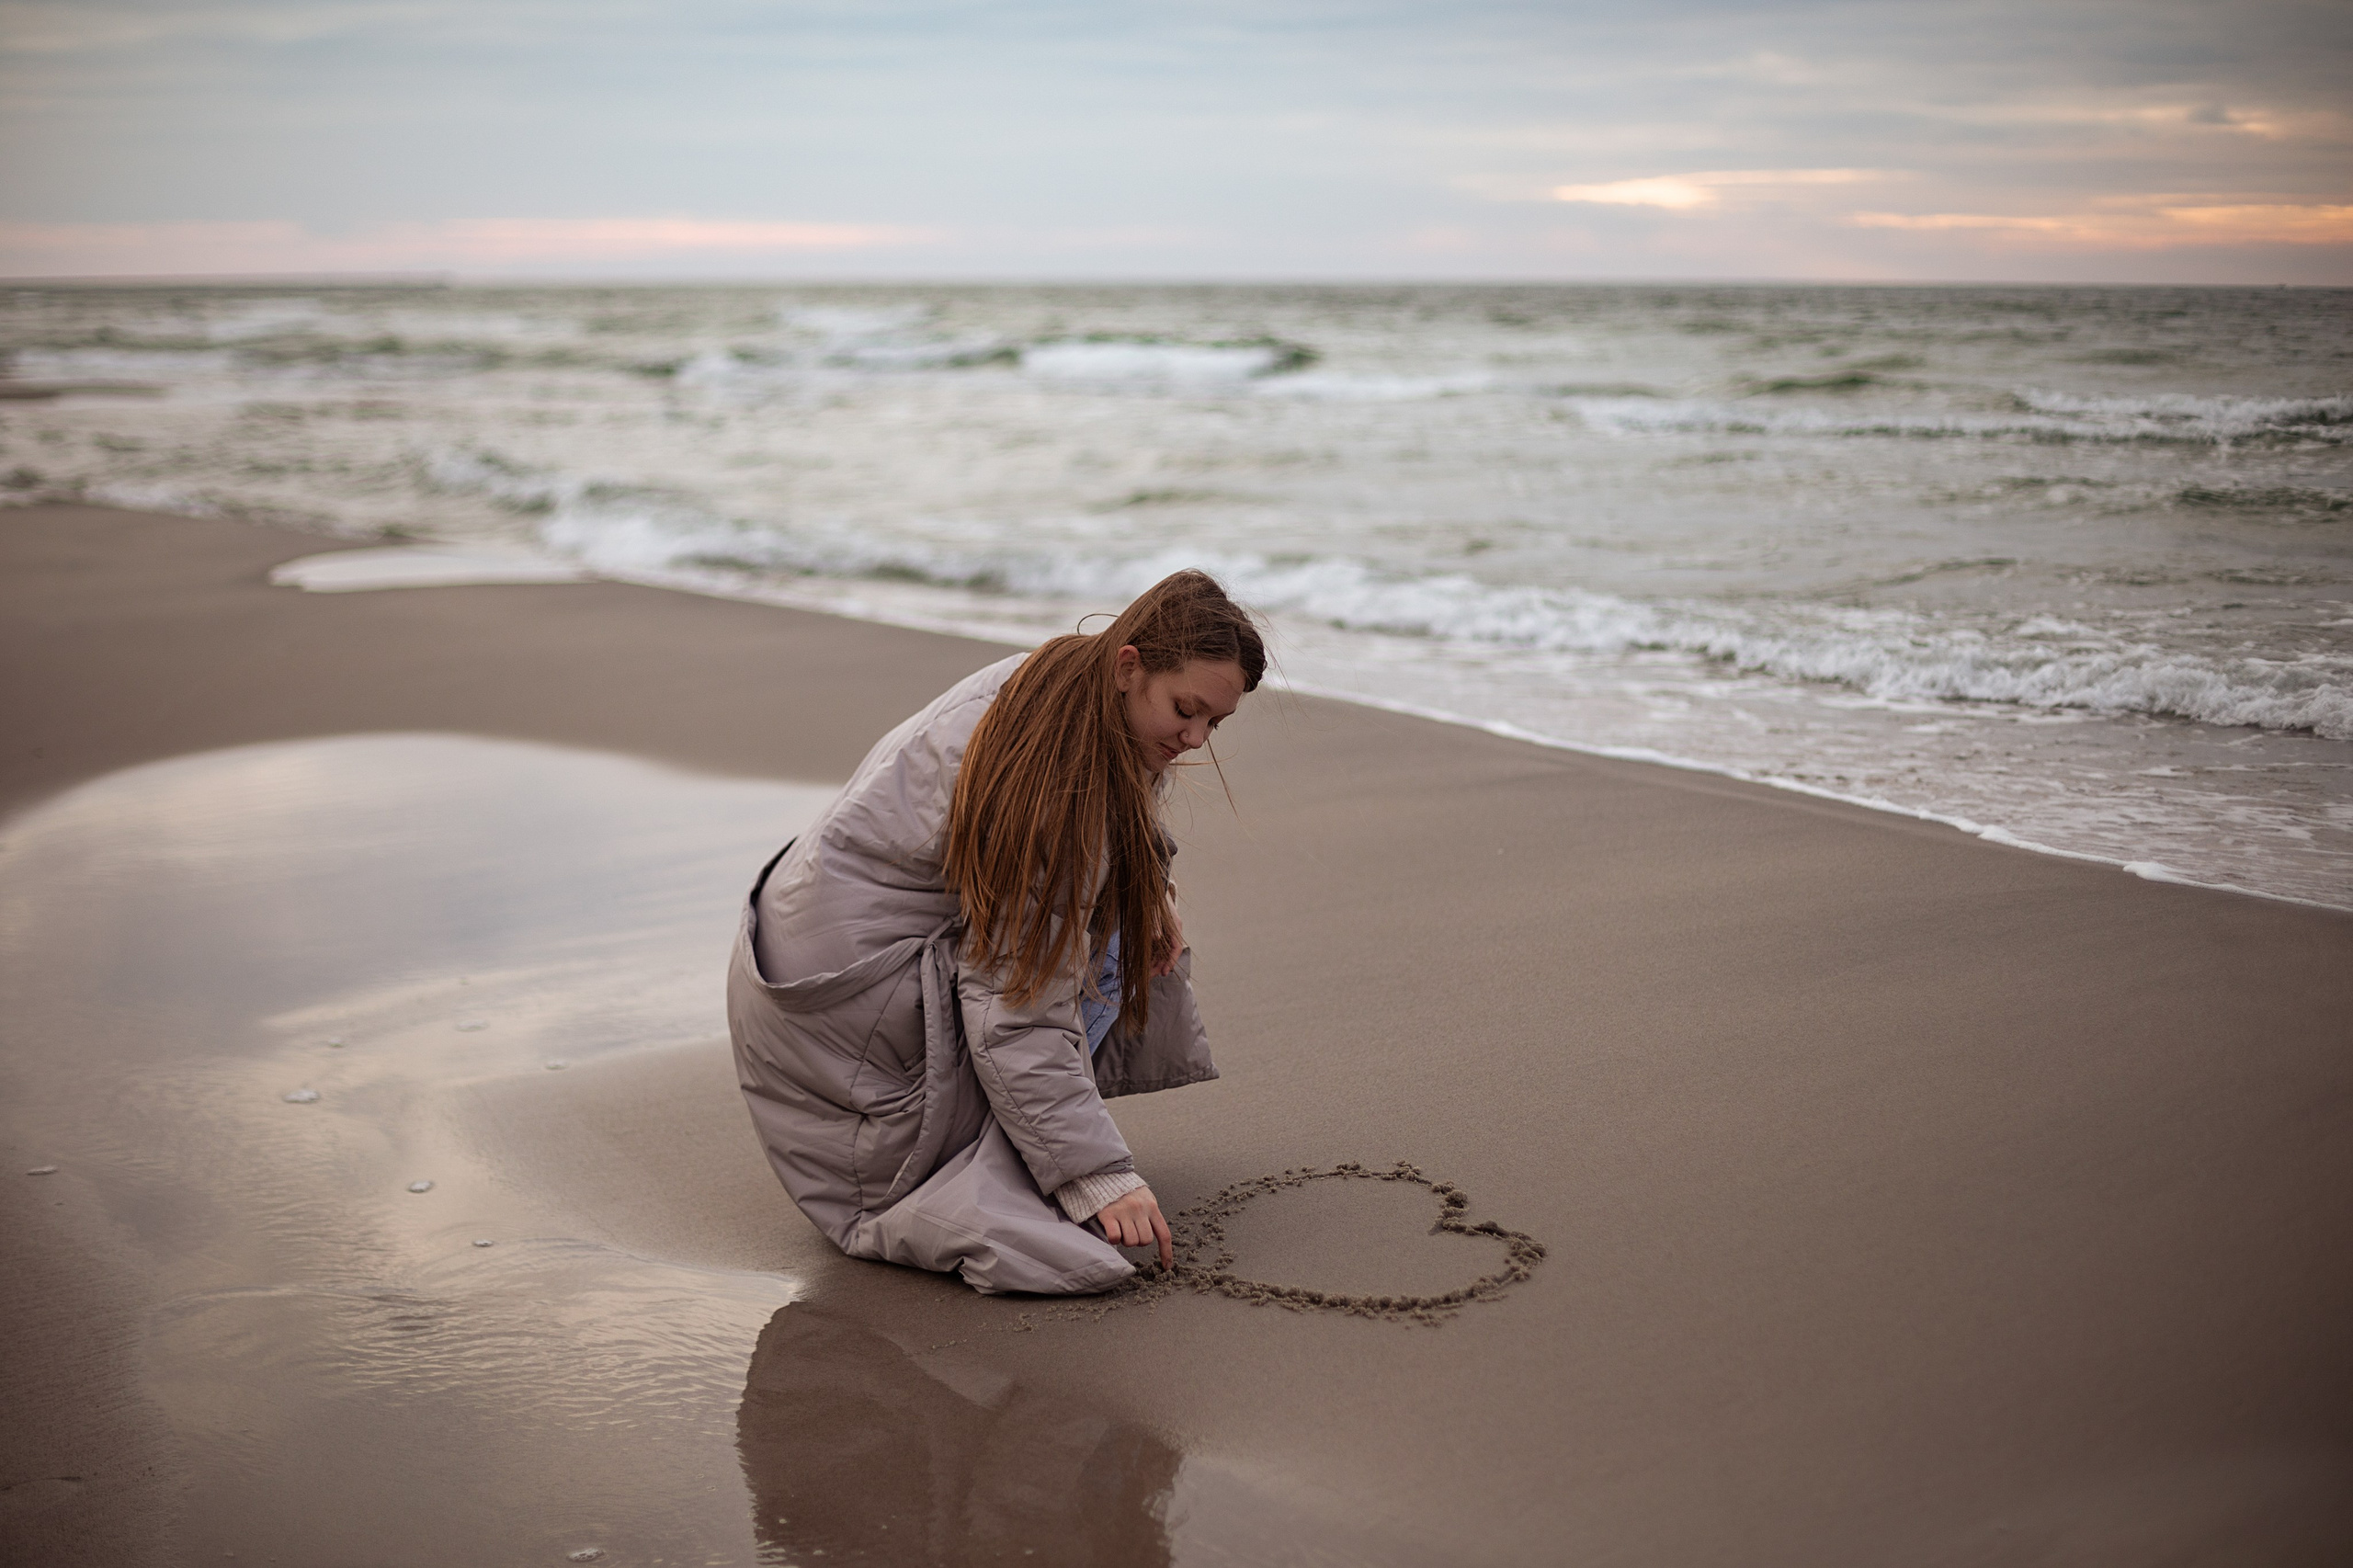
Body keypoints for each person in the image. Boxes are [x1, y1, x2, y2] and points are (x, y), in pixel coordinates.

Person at [727, 570, 1265, 1295]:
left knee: (1119, 932)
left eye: (1214, 723)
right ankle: (1012, 1148)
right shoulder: (1058, 789)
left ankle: (1030, 1133)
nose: (1196, 739)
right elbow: (1015, 1002)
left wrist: (1149, 894)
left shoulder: (1060, 683)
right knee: (1068, 1251)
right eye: (1186, 710)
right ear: (1129, 665)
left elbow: (1087, 865)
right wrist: (1097, 1178)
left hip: (801, 948)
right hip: (842, 1015)